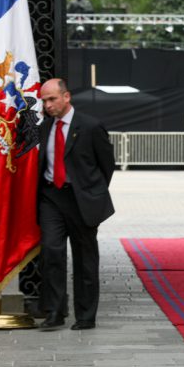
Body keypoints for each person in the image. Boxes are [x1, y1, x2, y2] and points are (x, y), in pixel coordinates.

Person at [37, 78, 115, 331]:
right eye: (44, 100)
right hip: (51, 198)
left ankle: (85, 315)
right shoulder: (45, 127)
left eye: (52, 99)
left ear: (66, 97)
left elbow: (106, 165)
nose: (47, 105)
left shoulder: (91, 126)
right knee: (51, 252)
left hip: (81, 200)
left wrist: (92, 192)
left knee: (85, 258)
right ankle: (55, 312)